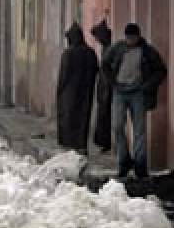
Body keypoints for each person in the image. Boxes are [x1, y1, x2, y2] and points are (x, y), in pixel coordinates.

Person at [102, 23, 167, 178]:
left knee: (139, 130)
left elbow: (161, 70)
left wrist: (147, 86)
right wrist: (112, 82)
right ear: (125, 37)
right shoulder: (117, 48)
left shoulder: (146, 51)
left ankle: (140, 165)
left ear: (138, 37)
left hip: (138, 93)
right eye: (128, 38)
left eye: (133, 38)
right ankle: (124, 161)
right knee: (117, 126)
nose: (130, 40)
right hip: (120, 92)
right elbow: (105, 64)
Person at [57, 22, 98, 154]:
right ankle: (81, 145)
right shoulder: (91, 53)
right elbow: (95, 71)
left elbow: (63, 75)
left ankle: (70, 145)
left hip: (69, 92)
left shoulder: (68, 54)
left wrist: (59, 91)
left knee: (68, 117)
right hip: (86, 92)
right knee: (83, 117)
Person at [91, 19, 113, 152]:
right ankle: (103, 142)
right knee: (103, 115)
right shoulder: (105, 48)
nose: (98, 40)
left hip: (108, 87)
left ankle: (107, 142)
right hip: (103, 86)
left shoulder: (110, 48)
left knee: (106, 115)